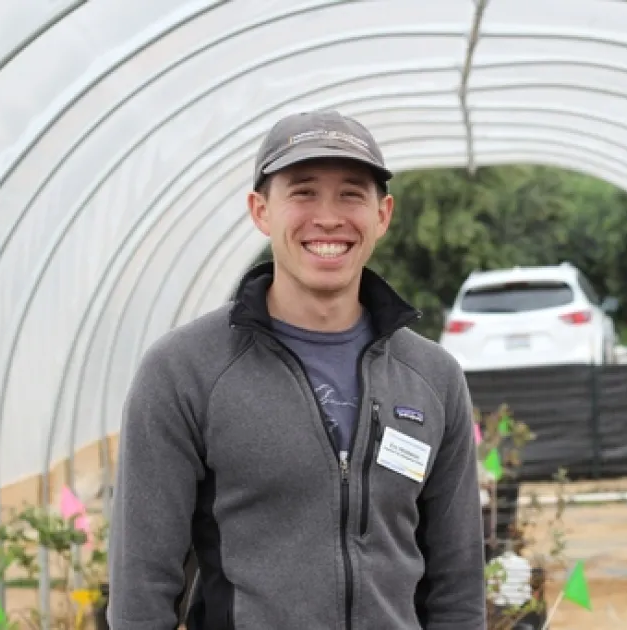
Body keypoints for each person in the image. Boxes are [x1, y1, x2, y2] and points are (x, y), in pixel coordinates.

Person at [109, 110, 487, 629]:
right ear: (261, 211)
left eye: (351, 194)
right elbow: (141, 592)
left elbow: (458, 587)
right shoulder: (185, 371)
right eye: (303, 192)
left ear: (382, 214)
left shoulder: (432, 377)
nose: (328, 218)